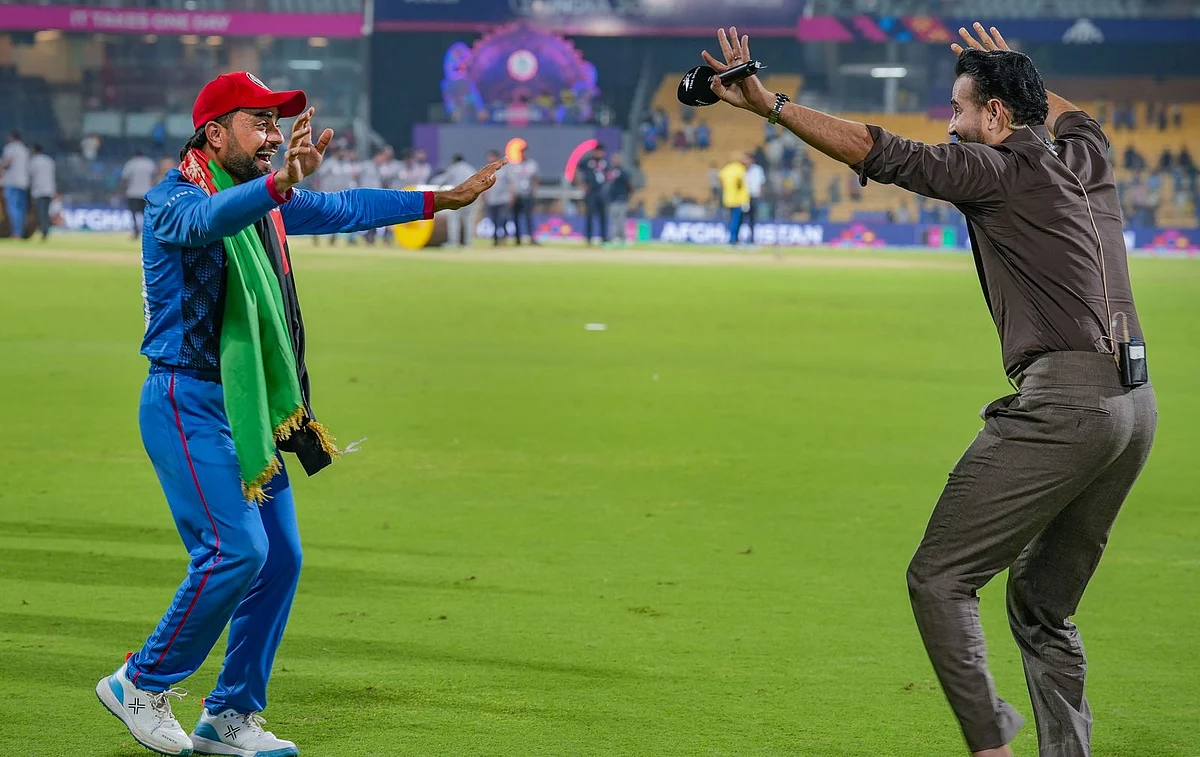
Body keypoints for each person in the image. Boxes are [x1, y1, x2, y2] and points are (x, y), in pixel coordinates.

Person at [704, 22, 1155, 757]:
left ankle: (990, 746)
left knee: (940, 577)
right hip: (1135, 408)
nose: (950, 124)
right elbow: (1072, 115)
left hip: (1067, 405)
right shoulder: (1086, 155)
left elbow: (877, 150)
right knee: (1043, 607)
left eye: (958, 108)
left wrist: (771, 105)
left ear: (996, 115)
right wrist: (1018, 74)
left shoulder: (995, 168)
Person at [94, 71, 502, 757]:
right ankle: (140, 681)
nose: (273, 136)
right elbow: (206, 222)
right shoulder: (173, 199)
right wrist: (278, 187)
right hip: (187, 401)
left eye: (276, 125)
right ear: (214, 133)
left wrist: (440, 198)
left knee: (280, 558)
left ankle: (229, 715)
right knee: (237, 551)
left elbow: (344, 207)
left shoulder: (265, 201)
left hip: (247, 406)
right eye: (259, 123)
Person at [440, 153, 478, 247]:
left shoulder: (454, 168)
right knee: (468, 221)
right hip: (471, 197)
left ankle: (453, 242)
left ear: (454, 160)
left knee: (454, 219)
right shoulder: (470, 169)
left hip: (458, 197)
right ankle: (468, 242)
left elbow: (443, 180)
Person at [122, 149, 158, 240]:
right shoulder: (149, 163)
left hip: (132, 193)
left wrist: (123, 189)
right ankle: (149, 232)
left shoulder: (130, 164)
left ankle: (136, 232)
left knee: (133, 214)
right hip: (146, 192)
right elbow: (154, 177)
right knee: (146, 214)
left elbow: (125, 179)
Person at [2, 130, 31, 238]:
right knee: (21, 209)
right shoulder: (25, 149)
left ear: (11, 137)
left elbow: (6, 163)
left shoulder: (10, 148)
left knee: (12, 208)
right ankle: (21, 232)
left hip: (12, 182)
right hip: (24, 182)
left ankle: (16, 233)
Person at [510, 143, 539, 245]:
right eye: (522, 152)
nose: (524, 154)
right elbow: (512, 181)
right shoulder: (515, 166)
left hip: (527, 194)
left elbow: (535, 179)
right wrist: (512, 194)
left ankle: (531, 238)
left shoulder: (532, 164)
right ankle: (517, 239)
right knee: (515, 217)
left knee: (528, 217)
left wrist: (534, 191)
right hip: (517, 194)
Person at [581, 143, 609, 246]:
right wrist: (581, 184)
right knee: (590, 215)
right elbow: (576, 169)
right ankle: (589, 238)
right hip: (591, 192)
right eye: (598, 151)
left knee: (603, 216)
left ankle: (604, 238)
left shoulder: (605, 162)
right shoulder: (588, 161)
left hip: (602, 192)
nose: (600, 153)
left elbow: (609, 174)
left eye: (601, 151)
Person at [483, 148, 513, 245]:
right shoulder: (487, 170)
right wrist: (484, 196)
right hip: (492, 200)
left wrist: (511, 195)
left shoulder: (504, 169)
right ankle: (495, 240)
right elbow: (483, 184)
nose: (490, 159)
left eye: (492, 157)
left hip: (503, 199)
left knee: (503, 219)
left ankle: (504, 238)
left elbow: (511, 183)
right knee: (494, 220)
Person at [719, 151, 749, 247]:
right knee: (737, 220)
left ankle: (732, 239)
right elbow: (741, 185)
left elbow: (721, 182)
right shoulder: (740, 169)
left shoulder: (726, 169)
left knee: (731, 219)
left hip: (728, 198)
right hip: (738, 199)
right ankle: (733, 240)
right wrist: (745, 200)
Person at [29, 144, 56, 241]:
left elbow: (29, 174)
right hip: (49, 190)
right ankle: (45, 231)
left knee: (40, 212)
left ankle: (42, 231)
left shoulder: (34, 161)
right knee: (45, 212)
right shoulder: (49, 160)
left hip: (39, 190)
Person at [606, 152, 633, 247]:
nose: (615, 161)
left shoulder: (624, 172)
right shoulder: (610, 172)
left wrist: (627, 196)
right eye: (614, 159)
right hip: (613, 199)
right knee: (613, 220)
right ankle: (612, 239)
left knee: (621, 220)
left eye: (616, 159)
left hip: (622, 199)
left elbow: (630, 185)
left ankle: (622, 240)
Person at [744, 154, 766, 245]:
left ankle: (752, 239)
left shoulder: (758, 169)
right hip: (744, 197)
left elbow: (761, 183)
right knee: (742, 218)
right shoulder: (742, 169)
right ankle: (739, 239)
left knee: (753, 219)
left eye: (748, 159)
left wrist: (760, 194)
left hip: (754, 196)